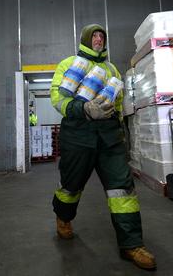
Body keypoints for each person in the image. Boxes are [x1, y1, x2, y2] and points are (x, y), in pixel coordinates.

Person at [50, 24, 156, 270]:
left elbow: (118, 101)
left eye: (101, 36)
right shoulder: (69, 64)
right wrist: (84, 109)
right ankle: (63, 218)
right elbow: (58, 98)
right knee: (71, 185)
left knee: (122, 189)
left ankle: (132, 244)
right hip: (77, 136)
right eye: (94, 36)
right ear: (86, 39)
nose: (98, 40)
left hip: (109, 138)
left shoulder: (111, 69)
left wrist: (120, 127)